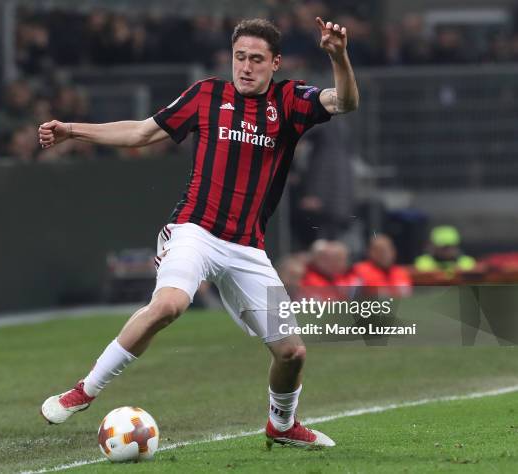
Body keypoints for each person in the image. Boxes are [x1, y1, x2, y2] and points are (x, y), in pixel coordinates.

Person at [38, 17, 358, 449]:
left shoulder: (289, 101)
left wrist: (338, 56)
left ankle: (282, 425)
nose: (245, 67)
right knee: (169, 304)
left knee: (292, 352)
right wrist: (72, 130)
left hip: (247, 247)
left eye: (256, 59)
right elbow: (141, 131)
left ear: (275, 63)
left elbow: (345, 102)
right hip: (195, 230)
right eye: (239, 57)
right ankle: (84, 390)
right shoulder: (207, 94)